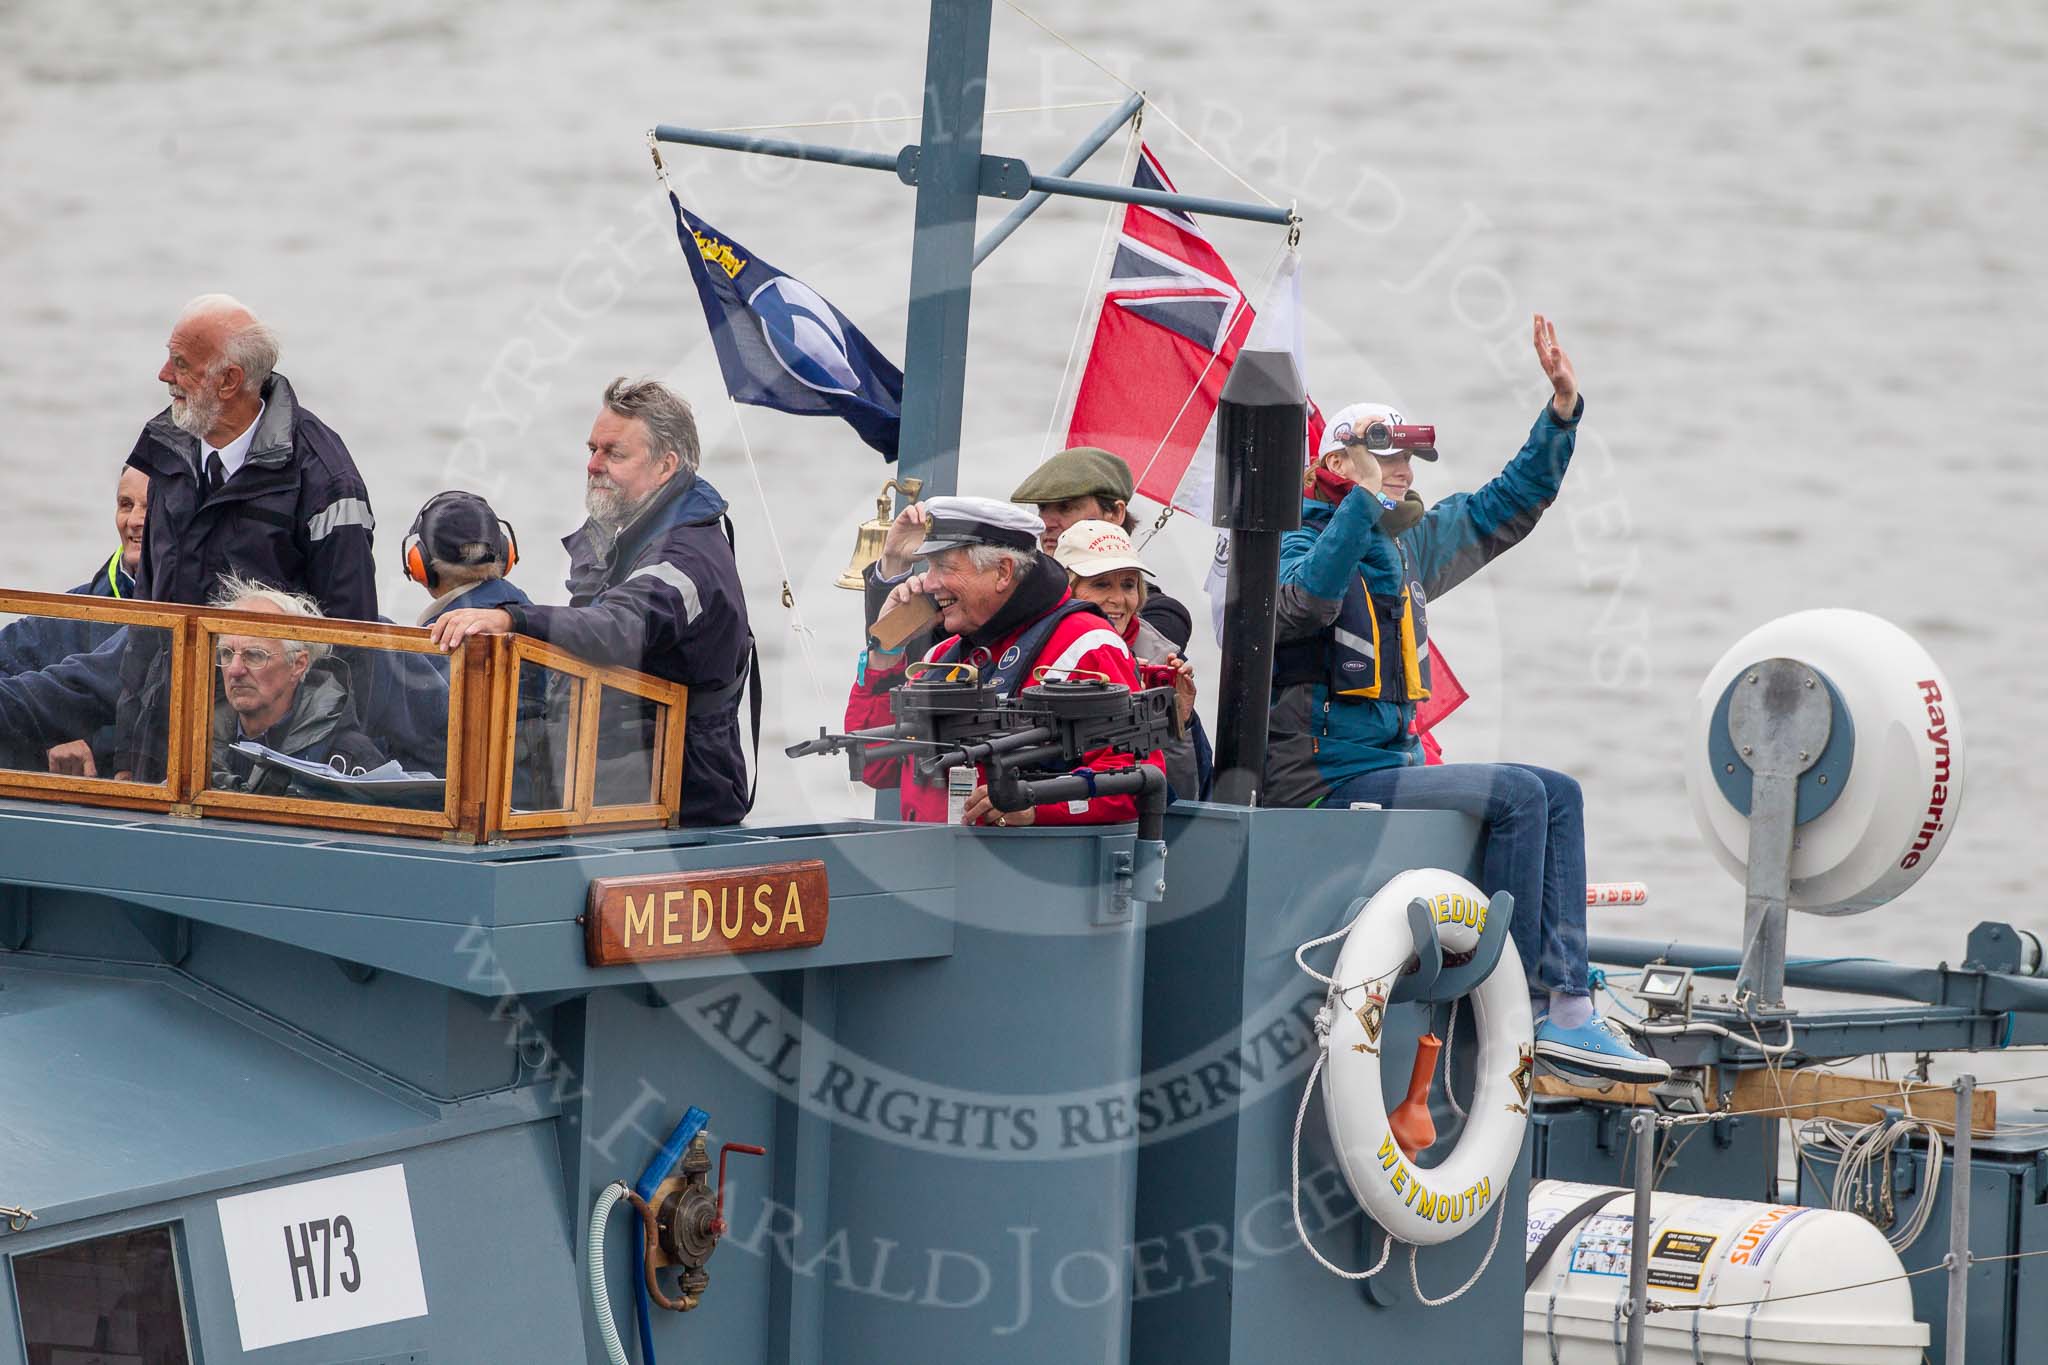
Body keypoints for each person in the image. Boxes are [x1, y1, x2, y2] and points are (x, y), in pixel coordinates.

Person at [1266, 316, 1668, 1085]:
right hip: (1321, 784)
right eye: (1388, 457)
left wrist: (1560, 413)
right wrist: (1357, 503)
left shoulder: (1406, 546)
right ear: (1338, 463)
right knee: (1516, 794)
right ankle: (1508, 1000)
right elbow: (1305, 604)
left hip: (1386, 766)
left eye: (1410, 459)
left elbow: (1502, 506)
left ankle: (1569, 1009)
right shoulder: (1287, 542)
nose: (1405, 471)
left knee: (1559, 790)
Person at [429, 379, 754, 826]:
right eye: (592, 449)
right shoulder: (629, 532)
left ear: (666, 466)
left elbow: (618, 627)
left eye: (613, 454)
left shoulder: (687, 561)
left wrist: (511, 620)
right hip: (608, 786)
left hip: (678, 805)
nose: (593, 465)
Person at [89, 293, 375, 780]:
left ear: (229, 381)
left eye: (181, 364)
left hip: (261, 771)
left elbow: (352, 645)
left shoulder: (326, 479)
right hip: (161, 753)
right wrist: (130, 759)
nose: (163, 375)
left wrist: (314, 779)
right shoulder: (167, 449)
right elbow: (147, 626)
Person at [848, 496, 1164, 826]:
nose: (928, 583)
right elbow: (875, 765)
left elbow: (1132, 778)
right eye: (930, 568)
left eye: (944, 567)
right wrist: (886, 650)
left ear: (1003, 572)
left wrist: (1034, 806)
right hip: (929, 867)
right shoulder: (942, 656)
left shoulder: (1087, 645)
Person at [0, 467, 150, 776]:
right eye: (126, 504)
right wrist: (52, 742)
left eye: (151, 507)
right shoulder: (82, 604)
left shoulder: (196, 614)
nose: (135, 520)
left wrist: (94, 745)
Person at [1051, 519, 1210, 801]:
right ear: (1067, 588)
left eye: (1128, 584)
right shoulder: (1044, 650)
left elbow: (1188, 799)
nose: (1119, 599)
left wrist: (1176, 724)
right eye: (1101, 584)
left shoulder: (1165, 659)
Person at [206, 578, 385, 796]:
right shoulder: (198, 739)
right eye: (225, 653)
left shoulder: (349, 756)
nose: (234, 670)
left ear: (298, 665)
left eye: (254, 655)